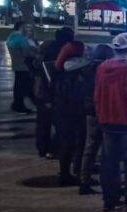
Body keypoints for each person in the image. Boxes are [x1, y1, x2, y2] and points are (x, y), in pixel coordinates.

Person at [94, 33, 127, 212]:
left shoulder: (103, 67)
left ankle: (109, 200)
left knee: (109, 163)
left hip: (108, 123)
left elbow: (97, 96)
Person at [53, 41, 90, 186]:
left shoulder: (61, 69)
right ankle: (69, 174)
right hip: (73, 113)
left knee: (67, 145)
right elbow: (77, 93)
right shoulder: (76, 70)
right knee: (75, 144)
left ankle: (67, 173)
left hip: (63, 112)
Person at [34, 26, 74, 158]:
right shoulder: (63, 51)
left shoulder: (46, 47)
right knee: (59, 123)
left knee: (43, 122)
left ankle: (43, 148)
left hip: (42, 90)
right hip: (54, 92)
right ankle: (55, 149)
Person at [79, 44, 113, 195]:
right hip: (104, 113)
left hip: (90, 112)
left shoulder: (87, 69)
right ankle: (108, 185)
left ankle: (84, 180)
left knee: (90, 147)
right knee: (107, 150)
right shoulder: (106, 71)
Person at [6, 22, 37, 113]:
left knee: (18, 86)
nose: (25, 28)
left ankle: (17, 104)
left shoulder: (11, 37)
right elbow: (26, 53)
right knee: (26, 86)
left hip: (16, 65)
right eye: (24, 27)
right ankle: (20, 105)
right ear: (21, 27)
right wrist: (35, 53)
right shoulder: (21, 39)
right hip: (24, 65)